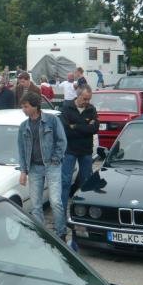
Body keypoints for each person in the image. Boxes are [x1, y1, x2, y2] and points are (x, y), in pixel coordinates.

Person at [17, 92, 68, 238]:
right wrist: (23, 171)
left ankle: (61, 233)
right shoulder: (23, 126)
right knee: (36, 205)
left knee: (55, 202)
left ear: (35, 106)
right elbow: (21, 150)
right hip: (34, 167)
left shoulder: (51, 120)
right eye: (22, 107)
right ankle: (42, 236)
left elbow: (62, 141)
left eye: (26, 106)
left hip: (52, 166)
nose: (23, 109)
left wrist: (55, 158)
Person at [60, 85, 98, 232]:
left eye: (89, 99)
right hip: (70, 150)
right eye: (84, 99)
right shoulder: (67, 108)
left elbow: (94, 129)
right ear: (78, 95)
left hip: (86, 151)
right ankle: (61, 216)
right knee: (65, 182)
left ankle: (83, 215)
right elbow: (66, 131)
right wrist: (84, 127)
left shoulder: (91, 109)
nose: (86, 102)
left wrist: (75, 126)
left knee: (86, 182)